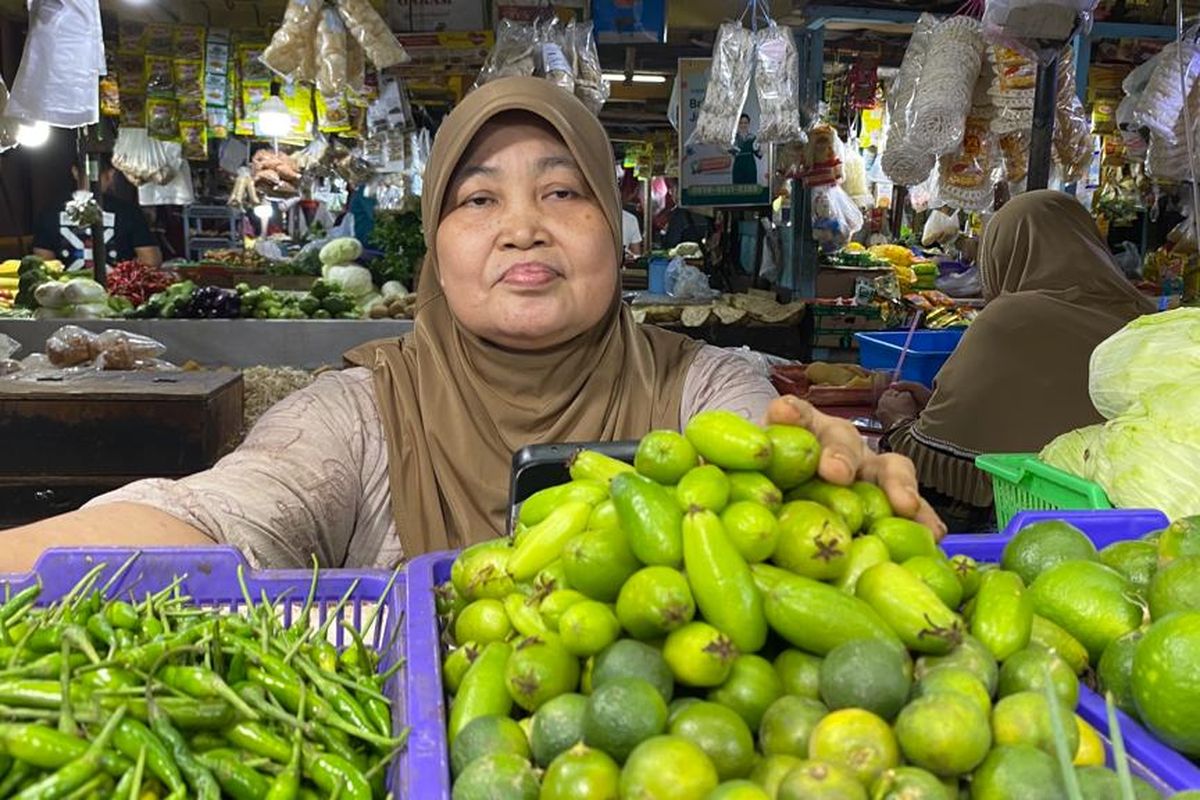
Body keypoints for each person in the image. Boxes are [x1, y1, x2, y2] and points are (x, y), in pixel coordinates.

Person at [3, 77, 941, 571]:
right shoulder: (363, 413)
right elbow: (217, 515)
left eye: (563, 190)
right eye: (478, 198)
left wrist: (824, 485)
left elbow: (762, 475)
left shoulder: (700, 386)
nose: (523, 226)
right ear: (436, 251)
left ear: (616, 233)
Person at [876, 190, 1156, 530]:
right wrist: (939, 406)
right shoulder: (1147, 318)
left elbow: (932, 458)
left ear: (1002, 253)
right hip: (1138, 522)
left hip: (1030, 529)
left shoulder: (1010, 318)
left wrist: (899, 421)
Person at [32, 158, 163, 268]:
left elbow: (43, 265)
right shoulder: (129, 212)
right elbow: (150, 262)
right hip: (118, 294)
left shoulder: (50, 212)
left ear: (75, 172)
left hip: (64, 295)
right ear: (110, 175)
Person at [730, 114, 762, 186]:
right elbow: (729, 152)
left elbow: (759, 155)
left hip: (750, 165)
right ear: (738, 124)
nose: (743, 125)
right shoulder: (734, 138)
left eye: (745, 123)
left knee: (751, 188)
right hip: (738, 166)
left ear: (748, 124)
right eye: (741, 123)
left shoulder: (753, 137)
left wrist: (761, 148)